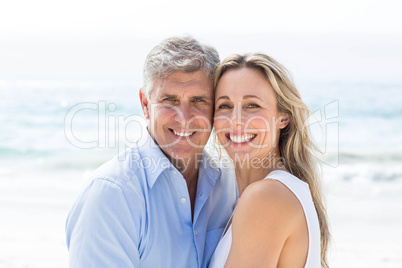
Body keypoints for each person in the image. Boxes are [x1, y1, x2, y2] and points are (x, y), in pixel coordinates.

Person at [65, 36, 238, 268]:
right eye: (170, 100)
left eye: (199, 100)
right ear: (146, 105)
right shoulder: (112, 196)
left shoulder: (229, 184)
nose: (184, 118)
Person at [208, 53, 330, 268]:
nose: (235, 120)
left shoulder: (266, 197)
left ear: (283, 117)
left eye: (252, 105)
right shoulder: (267, 193)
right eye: (224, 106)